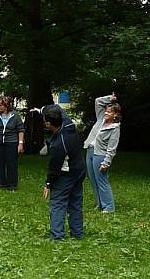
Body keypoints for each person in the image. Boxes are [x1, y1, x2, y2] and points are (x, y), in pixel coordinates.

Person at [41, 105, 86, 240]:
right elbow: (58, 108)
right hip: (80, 170)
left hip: (67, 174)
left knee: (57, 202)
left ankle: (57, 235)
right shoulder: (68, 124)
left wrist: (48, 184)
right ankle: (77, 233)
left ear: (48, 124)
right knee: (75, 202)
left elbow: (54, 168)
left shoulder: (58, 145)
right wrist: (41, 109)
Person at [82, 93, 121, 213]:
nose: (106, 113)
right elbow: (98, 101)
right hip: (90, 150)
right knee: (93, 180)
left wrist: (106, 163)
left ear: (115, 115)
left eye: (109, 112)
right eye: (106, 111)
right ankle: (100, 204)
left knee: (102, 181)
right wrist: (110, 99)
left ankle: (109, 207)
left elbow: (112, 148)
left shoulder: (115, 128)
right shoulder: (101, 119)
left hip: (100, 155)